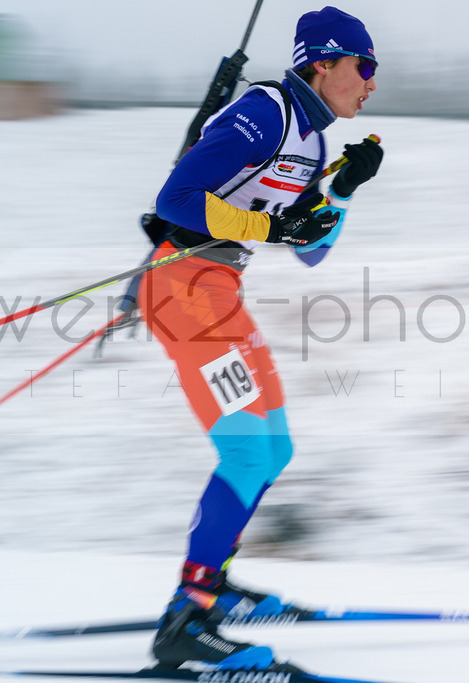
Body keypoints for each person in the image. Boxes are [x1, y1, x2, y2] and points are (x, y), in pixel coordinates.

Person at [138, 6, 383, 672]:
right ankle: (185, 620)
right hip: (183, 288)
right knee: (246, 452)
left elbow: (312, 251)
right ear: (323, 63)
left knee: (272, 448)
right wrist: (270, 229)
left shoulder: (313, 142)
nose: (370, 83)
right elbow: (176, 198)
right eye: (364, 67)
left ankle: (211, 586)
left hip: (219, 292)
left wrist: (345, 190)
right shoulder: (265, 111)